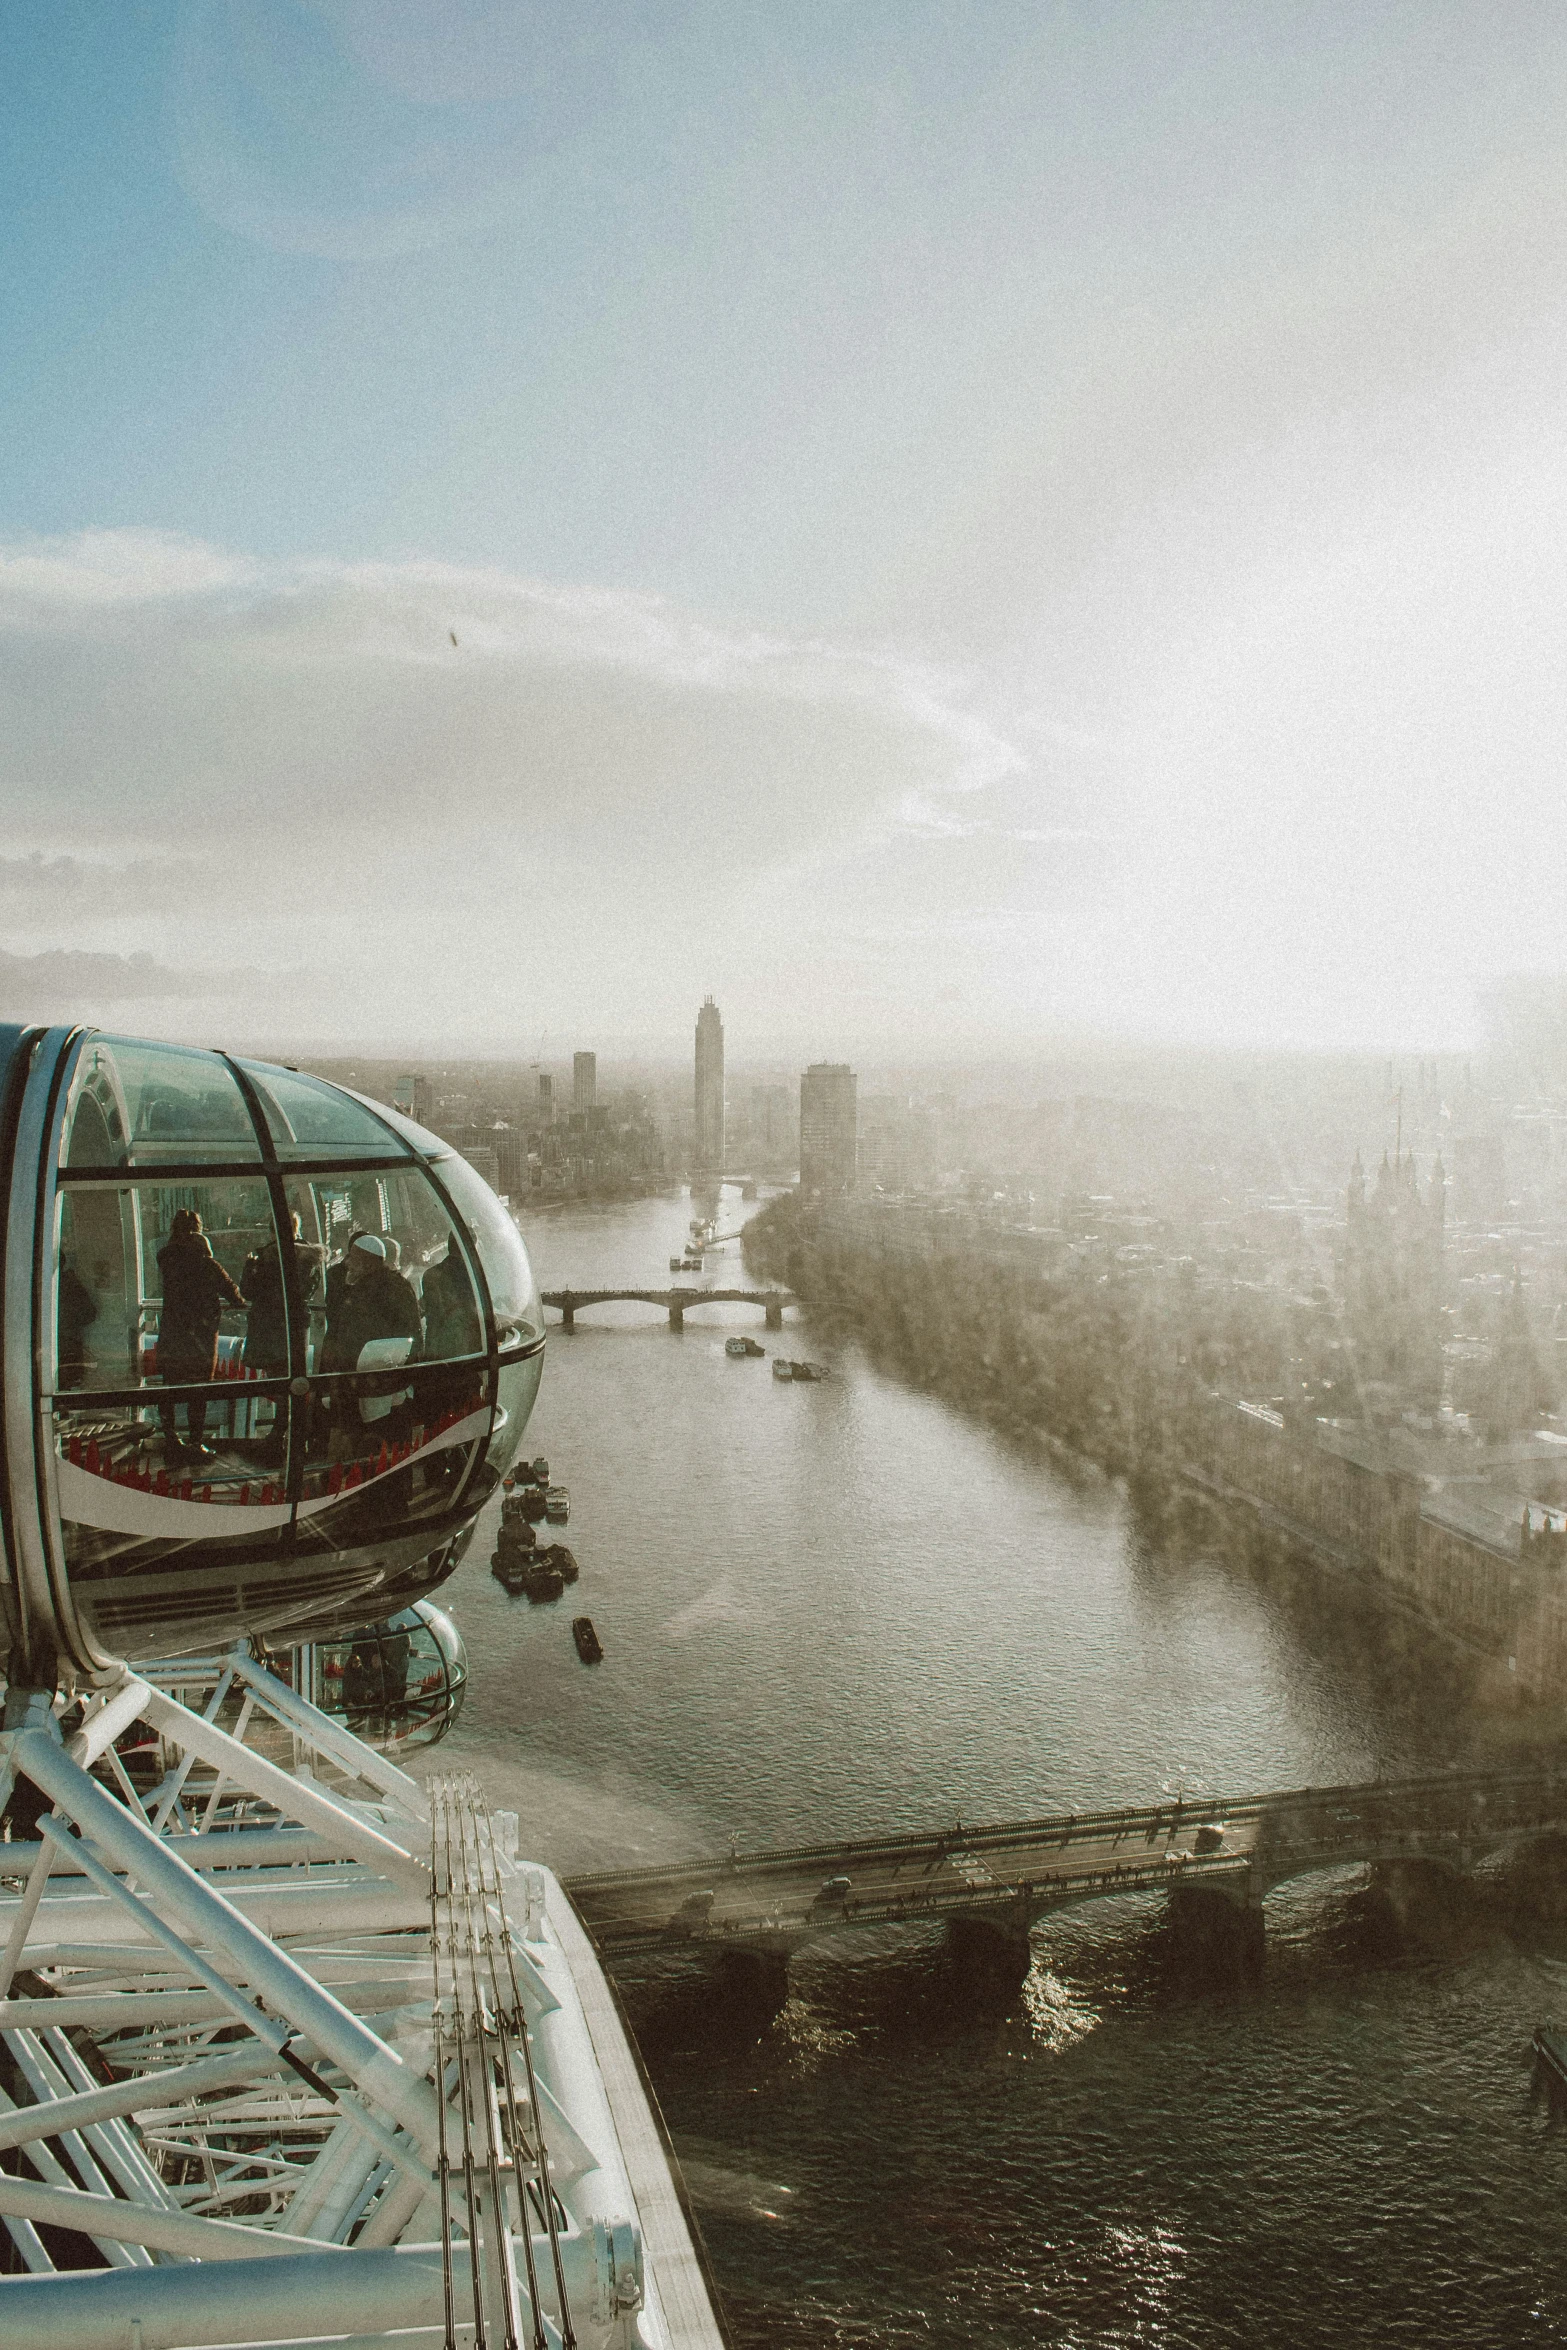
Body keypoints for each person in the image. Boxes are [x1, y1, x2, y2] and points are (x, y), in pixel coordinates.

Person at [320, 1233, 422, 1459]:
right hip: (392, 1378)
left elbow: (351, 1336)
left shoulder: (362, 1291)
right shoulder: (399, 1285)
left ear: (367, 1261)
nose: (348, 1264)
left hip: (368, 1380)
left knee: (372, 1439)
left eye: (353, 1259)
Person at [156, 1209, 245, 1464]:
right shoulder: (207, 1264)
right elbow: (235, 1296)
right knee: (198, 1392)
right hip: (200, 1337)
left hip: (173, 1334)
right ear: (199, 1231)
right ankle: (196, 1443)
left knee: (169, 1388)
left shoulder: (166, 1260)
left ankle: (171, 1440)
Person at [56, 1257, 98, 1390]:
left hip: (67, 1343)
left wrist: (68, 1323)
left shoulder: (68, 1284)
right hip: (68, 1342)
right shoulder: (70, 1283)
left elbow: (89, 1313)